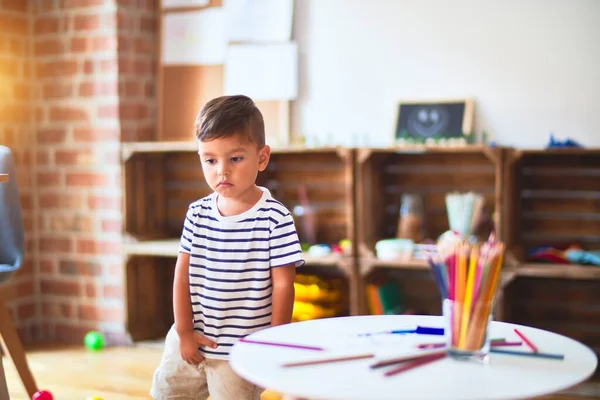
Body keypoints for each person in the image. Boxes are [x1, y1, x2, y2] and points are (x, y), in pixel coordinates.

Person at [150, 95, 305, 400]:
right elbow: (182, 275)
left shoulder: (275, 218)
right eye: (210, 160)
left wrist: (272, 342)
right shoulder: (197, 213)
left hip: (240, 351)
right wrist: (183, 332)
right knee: (167, 395)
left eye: (235, 159)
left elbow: (284, 286)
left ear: (262, 157)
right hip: (189, 339)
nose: (221, 171)